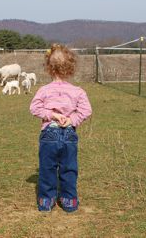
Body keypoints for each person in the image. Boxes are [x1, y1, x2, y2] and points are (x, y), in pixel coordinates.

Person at [29, 44, 92, 212]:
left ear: (49, 68)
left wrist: (52, 115)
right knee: (69, 168)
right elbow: (86, 110)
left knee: (47, 168)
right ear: (70, 68)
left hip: (49, 134)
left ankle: (45, 201)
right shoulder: (77, 91)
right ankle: (69, 201)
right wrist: (71, 120)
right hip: (69, 134)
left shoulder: (44, 90)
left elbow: (34, 108)